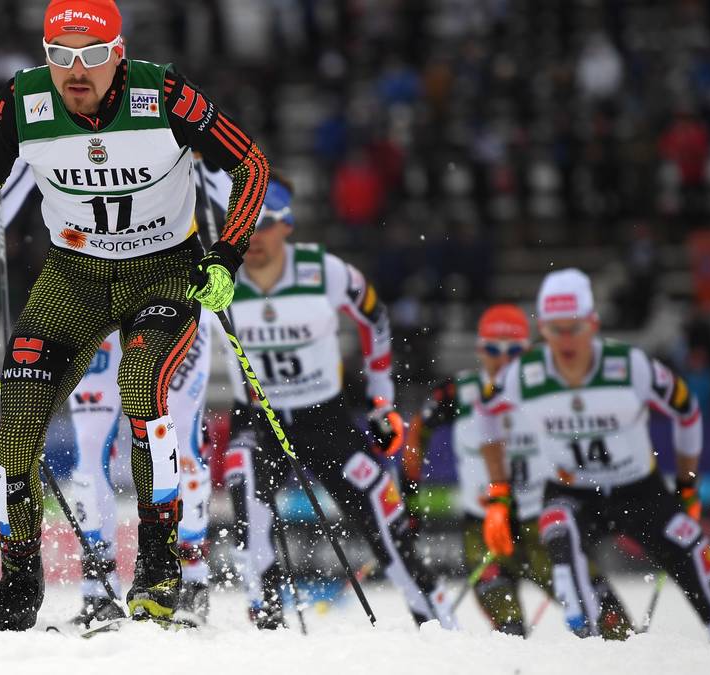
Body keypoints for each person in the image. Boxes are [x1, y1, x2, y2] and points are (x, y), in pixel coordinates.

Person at [0, 0, 270, 630]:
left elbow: (251, 165)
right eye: (59, 56)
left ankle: (159, 566)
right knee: (19, 416)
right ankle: (17, 585)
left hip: (163, 269)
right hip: (75, 276)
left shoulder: (164, 93)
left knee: (141, 383)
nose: (74, 71)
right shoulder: (21, 103)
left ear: (118, 54)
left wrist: (226, 255)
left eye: (90, 55)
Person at [222, 173, 456, 630]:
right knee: (244, 481)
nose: (253, 238)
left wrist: (382, 400)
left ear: (286, 225)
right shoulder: (219, 276)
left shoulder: (325, 272)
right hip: (256, 417)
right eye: (244, 226)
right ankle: (265, 614)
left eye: (264, 225)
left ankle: (434, 616)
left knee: (380, 504)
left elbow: (374, 319)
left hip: (321, 414)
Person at [478, 268, 710, 641]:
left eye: (575, 328)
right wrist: (499, 491)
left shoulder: (629, 366)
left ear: (593, 323)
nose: (566, 341)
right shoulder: (524, 374)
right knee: (558, 533)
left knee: (693, 552)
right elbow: (485, 413)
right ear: (544, 329)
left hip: (638, 489)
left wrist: (687, 484)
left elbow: (687, 411)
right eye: (555, 330)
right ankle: (591, 644)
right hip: (572, 493)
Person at [403, 304, 630, 638]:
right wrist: (410, 494)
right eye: (494, 349)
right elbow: (417, 432)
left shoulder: (551, 390)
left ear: (529, 351)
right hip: (485, 532)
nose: (504, 359)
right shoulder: (460, 393)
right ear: (481, 349)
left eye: (515, 351)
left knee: (610, 620)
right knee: (510, 631)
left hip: (543, 529)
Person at [66, 312, 215, 626]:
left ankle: (192, 580)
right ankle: (98, 590)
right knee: (90, 446)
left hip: (166, 305)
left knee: (177, 437)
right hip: (96, 307)